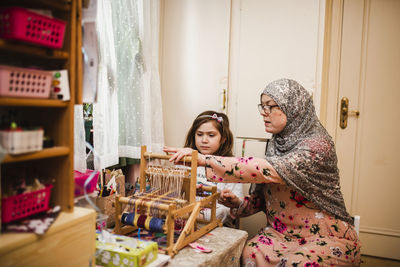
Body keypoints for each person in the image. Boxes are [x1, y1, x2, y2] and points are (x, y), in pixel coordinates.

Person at [164, 79, 361, 266]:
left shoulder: (317, 145)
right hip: (281, 234)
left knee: (297, 263)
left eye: (270, 106)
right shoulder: (275, 144)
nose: (264, 112)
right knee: (250, 252)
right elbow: (263, 199)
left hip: (323, 235)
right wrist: (238, 204)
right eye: (262, 106)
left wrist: (204, 159)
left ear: (293, 108)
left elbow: (269, 171)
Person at [178, 110, 243, 226]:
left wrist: (229, 198)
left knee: (222, 210)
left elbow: (231, 209)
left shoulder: (231, 167)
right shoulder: (185, 161)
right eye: (199, 134)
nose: (204, 140)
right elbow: (176, 194)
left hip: (215, 223)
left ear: (223, 138)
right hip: (185, 217)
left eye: (211, 135)